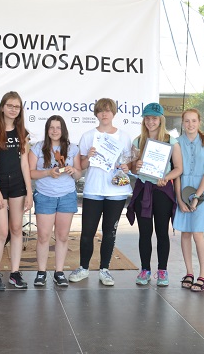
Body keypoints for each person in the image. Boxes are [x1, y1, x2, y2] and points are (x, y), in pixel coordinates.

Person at [69, 98, 133, 286]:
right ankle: (83, 268)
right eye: (100, 111)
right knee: (87, 232)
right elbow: (81, 166)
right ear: (96, 114)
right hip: (93, 190)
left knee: (109, 232)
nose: (104, 114)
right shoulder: (88, 135)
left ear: (114, 113)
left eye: (108, 110)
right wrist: (88, 157)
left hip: (116, 192)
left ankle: (105, 269)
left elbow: (128, 163)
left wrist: (126, 166)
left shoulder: (124, 136)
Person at [127, 102, 182, 286]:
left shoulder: (171, 141)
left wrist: (166, 177)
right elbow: (133, 169)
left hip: (162, 191)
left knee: (162, 232)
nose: (151, 122)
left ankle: (162, 270)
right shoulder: (138, 141)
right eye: (147, 118)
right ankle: (145, 270)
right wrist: (137, 166)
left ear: (161, 120)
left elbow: (179, 168)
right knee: (144, 232)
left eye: (154, 118)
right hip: (143, 189)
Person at [0, 91, 33, 290]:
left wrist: (29, 191)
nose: (13, 109)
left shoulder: (23, 132)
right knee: (2, 231)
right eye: (10, 105)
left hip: (17, 185)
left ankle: (14, 272)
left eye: (17, 106)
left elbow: (24, 164)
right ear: (3, 107)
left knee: (16, 229)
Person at [29, 115, 82, 287]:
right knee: (43, 236)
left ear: (63, 130)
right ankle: (41, 272)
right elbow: (30, 173)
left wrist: (73, 170)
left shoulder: (73, 148)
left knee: (62, 236)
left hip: (67, 195)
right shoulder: (37, 148)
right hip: (45, 195)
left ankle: (59, 272)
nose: (54, 131)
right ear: (47, 130)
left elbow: (79, 174)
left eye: (58, 127)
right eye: (51, 127)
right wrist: (48, 173)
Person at [172, 109, 204, 292]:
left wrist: (197, 197)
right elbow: (177, 172)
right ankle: (189, 272)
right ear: (182, 123)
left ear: (199, 122)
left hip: (203, 189)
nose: (190, 124)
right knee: (185, 233)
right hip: (184, 188)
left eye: (193, 120)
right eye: (187, 121)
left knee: (198, 233)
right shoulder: (176, 143)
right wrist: (180, 198)